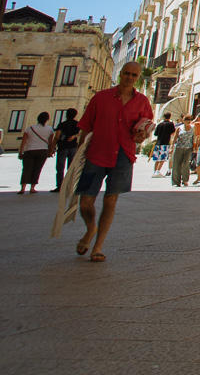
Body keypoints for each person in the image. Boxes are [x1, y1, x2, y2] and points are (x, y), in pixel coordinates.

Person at [73, 61, 153, 263]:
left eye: (134, 75)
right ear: (120, 74)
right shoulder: (101, 98)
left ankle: (98, 246)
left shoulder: (142, 101)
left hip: (123, 155)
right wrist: (78, 154)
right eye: (126, 73)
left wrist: (141, 136)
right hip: (96, 154)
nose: (130, 78)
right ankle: (91, 228)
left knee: (111, 200)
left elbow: (146, 128)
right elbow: (85, 127)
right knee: (86, 202)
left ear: (138, 77)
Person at [18, 111, 56, 193]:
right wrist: (50, 151)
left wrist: (20, 151)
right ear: (47, 119)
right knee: (37, 169)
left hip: (29, 150)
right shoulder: (50, 129)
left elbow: (24, 141)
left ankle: (23, 188)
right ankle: (32, 188)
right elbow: (50, 142)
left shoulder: (30, 128)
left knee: (26, 169)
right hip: (43, 150)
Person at [51, 108, 80, 190]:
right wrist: (74, 136)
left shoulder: (62, 124)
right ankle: (70, 186)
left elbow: (56, 137)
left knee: (60, 167)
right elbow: (80, 133)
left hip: (62, 147)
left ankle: (60, 186)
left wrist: (52, 148)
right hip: (73, 147)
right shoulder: (77, 124)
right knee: (71, 167)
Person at [170, 114, 195, 187]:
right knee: (176, 164)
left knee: (186, 164)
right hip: (179, 147)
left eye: (189, 120)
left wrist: (194, 147)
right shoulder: (179, 128)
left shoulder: (193, 128)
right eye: (186, 120)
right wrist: (172, 147)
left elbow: (194, 137)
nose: (188, 121)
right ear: (183, 121)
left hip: (188, 148)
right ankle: (176, 182)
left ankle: (185, 180)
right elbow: (174, 138)